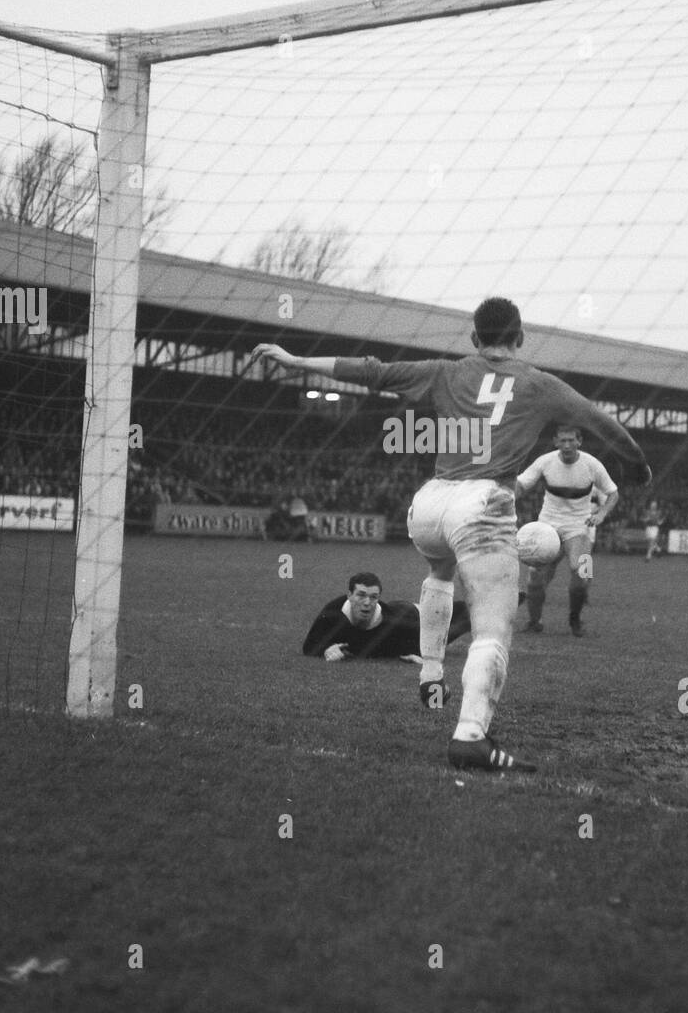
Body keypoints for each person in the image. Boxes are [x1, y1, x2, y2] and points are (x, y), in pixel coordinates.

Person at [252, 297, 651, 773]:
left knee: (440, 573)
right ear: (520, 338)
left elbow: (371, 371)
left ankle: (432, 672)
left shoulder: (446, 371)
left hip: (429, 504)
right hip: (481, 504)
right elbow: (600, 421)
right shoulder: (540, 384)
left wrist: (296, 360)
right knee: (493, 624)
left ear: (474, 339)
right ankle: (470, 737)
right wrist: (637, 465)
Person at [516, 426, 619, 636]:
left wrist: (602, 514)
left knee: (583, 573)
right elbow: (520, 484)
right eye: (562, 440)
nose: (566, 445)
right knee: (535, 579)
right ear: (555, 441)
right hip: (547, 526)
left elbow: (613, 493)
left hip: (579, 527)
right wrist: (508, 501)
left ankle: (576, 620)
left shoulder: (592, 465)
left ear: (579, 441)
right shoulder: (545, 461)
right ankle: (534, 622)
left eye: (571, 440)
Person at [303, 571, 473, 662]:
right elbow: (310, 645)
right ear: (349, 595)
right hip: (397, 609)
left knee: (453, 624)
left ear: (378, 598)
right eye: (361, 595)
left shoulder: (393, 625)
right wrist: (326, 650)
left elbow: (424, 647)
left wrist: (415, 654)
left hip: (411, 614)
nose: (367, 602)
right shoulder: (333, 612)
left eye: (373, 597)